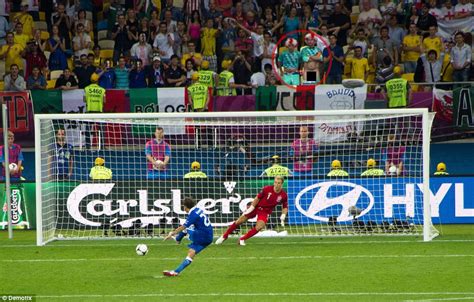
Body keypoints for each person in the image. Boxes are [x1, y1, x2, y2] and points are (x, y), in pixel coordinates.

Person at [215, 176, 288, 246]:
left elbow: (285, 206)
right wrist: (251, 208)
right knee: (239, 221)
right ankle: (224, 236)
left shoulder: (283, 195)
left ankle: (242, 239)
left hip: (265, 212)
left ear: (281, 184)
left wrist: (283, 215)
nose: (276, 184)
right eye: (275, 182)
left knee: (260, 227)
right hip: (256, 207)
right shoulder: (267, 189)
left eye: (278, 183)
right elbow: (257, 198)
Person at [163, 197, 213, 276]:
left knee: (187, 227)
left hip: (201, 236)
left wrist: (172, 233)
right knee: (191, 252)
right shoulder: (198, 210)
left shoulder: (193, 214)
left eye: (183, 206)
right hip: (209, 237)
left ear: (185, 207)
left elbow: (183, 227)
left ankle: (177, 239)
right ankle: (176, 272)